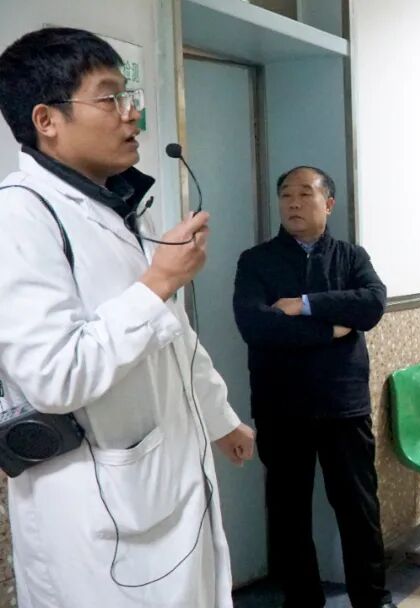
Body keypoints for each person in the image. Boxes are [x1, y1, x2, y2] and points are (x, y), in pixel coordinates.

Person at [0, 28, 254, 607]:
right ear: (47, 120)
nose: (131, 114)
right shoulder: (18, 216)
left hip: (161, 489)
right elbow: (54, 376)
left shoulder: (115, 207)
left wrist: (220, 417)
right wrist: (159, 280)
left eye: (128, 96)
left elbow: (173, 336)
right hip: (95, 514)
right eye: (110, 98)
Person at [232, 166, 395, 608]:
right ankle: (302, 600)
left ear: (329, 203)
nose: (294, 203)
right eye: (286, 195)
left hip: (343, 404)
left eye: (306, 194)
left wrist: (303, 305)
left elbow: (372, 304)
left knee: (358, 506)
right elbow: (256, 326)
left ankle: (372, 599)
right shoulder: (256, 261)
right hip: (281, 406)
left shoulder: (351, 257)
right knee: (288, 511)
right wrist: (331, 329)